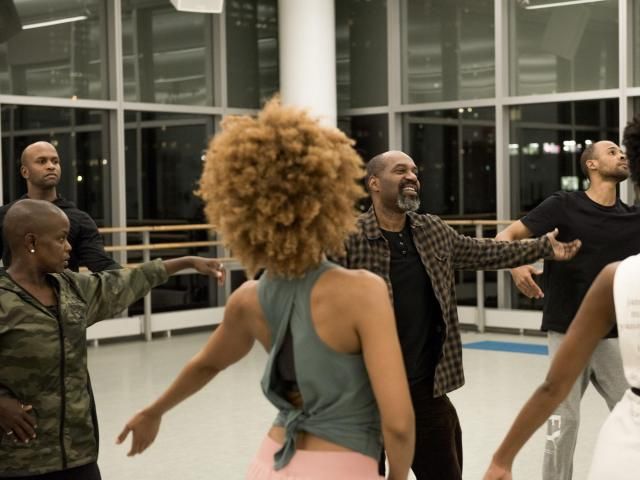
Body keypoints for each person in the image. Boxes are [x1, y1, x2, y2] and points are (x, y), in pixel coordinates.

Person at [116, 100, 416, 480]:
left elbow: (207, 364)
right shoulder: (363, 292)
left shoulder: (248, 298)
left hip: (270, 461)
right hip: (341, 466)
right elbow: (398, 423)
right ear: (330, 198)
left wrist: (153, 411)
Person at [334, 150, 581, 480]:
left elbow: (483, 252)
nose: (412, 176)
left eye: (414, 170)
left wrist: (542, 248)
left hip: (425, 387)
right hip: (363, 391)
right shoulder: (348, 238)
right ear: (374, 183)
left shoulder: (432, 229)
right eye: (400, 171)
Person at [0, 198, 225, 480]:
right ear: (31, 242)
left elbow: (125, 282)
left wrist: (187, 262)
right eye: (60, 239)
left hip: (78, 453)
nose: (69, 247)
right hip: (19, 461)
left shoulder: (71, 288)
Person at [495, 139, 640, 480]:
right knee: (564, 422)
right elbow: (506, 236)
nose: (621, 155)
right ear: (591, 164)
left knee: (633, 410)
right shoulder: (564, 205)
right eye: (611, 152)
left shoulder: (633, 217)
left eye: (622, 151)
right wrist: (516, 265)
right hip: (567, 331)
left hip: (614, 337)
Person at [0, 141, 120, 272]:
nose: (51, 166)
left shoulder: (78, 219)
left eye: (55, 161)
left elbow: (103, 265)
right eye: (42, 161)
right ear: (25, 172)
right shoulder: (6, 215)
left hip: (63, 285)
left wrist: (132, 277)